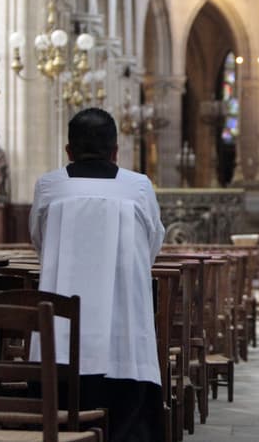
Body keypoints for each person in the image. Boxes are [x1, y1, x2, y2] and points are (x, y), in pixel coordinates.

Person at [29, 108, 166, 442]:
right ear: (116, 151)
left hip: (59, 333)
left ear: (68, 151)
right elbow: (153, 243)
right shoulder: (138, 187)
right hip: (123, 330)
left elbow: (39, 241)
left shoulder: (50, 186)